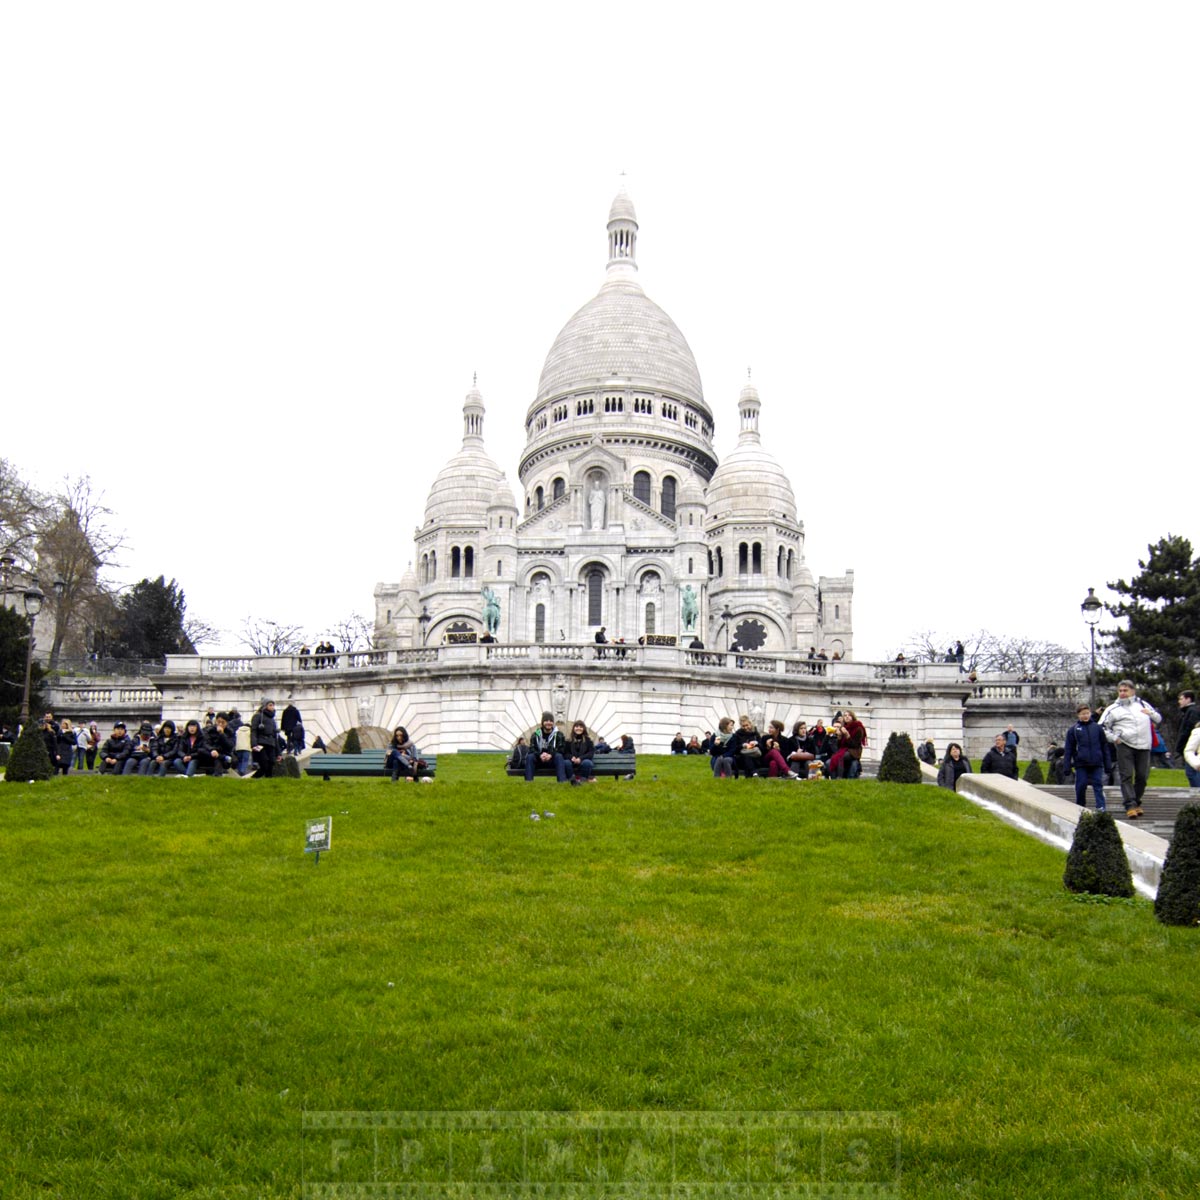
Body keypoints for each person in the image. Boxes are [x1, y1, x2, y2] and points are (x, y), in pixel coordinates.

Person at [1099, 680, 1161, 819]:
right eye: (1120, 691)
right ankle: (1130, 805)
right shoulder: (1113, 709)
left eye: (1125, 690)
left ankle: (1136, 801)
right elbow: (1102, 727)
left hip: (1144, 745)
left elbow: (1158, 718)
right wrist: (1114, 737)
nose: (1122, 693)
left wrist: (1150, 713)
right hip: (1125, 744)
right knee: (1126, 775)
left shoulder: (1143, 704)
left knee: (1142, 776)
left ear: (1133, 691)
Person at [1063, 702, 1112, 811]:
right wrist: (1067, 766)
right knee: (1080, 785)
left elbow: (1104, 747)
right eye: (1082, 714)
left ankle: (1101, 806)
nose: (1085, 716)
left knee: (1098, 785)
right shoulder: (1074, 730)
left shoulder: (1097, 728)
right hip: (1081, 763)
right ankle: (1080, 805)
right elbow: (1069, 749)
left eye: (1087, 713)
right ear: (1078, 715)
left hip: (1096, 762)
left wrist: (1107, 764)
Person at [525, 712, 567, 782]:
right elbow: (532, 749)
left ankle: (561, 782)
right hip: (539, 760)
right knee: (530, 757)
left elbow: (561, 749)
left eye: (551, 721)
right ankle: (528, 782)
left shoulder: (559, 735)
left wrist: (550, 755)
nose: (549, 723)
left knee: (559, 756)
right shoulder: (536, 734)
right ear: (542, 722)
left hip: (552, 760)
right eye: (546, 721)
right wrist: (540, 755)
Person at [828, 709, 866, 779]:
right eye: (845, 715)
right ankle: (833, 778)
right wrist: (839, 737)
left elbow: (855, 745)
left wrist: (847, 735)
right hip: (844, 750)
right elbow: (840, 746)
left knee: (840, 757)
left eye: (849, 715)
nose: (847, 717)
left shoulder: (859, 728)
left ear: (853, 717)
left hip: (854, 751)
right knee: (833, 758)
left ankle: (839, 777)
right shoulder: (843, 728)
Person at [726, 715, 764, 779]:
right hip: (742, 757)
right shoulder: (738, 734)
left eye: (747, 725)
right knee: (746, 756)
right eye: (743, 726)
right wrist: (742, 745)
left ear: (750, 723)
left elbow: (762, 747)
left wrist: (756, 743)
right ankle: (754, 773)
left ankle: (752, 774)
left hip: (755, 756)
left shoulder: (755, 733)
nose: (746, 727)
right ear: (741, 726)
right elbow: (735, 749)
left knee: (750, 757)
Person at [251, 699, 279, 778]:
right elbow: (253, 731)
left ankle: (268, 782)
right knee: (264, 765)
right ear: (265, 706)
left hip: (271, 744)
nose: (272, 707)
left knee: (271, 764)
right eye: (270, 705)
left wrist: (278, 752)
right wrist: (254, 744)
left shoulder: (272, 720)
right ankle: (253, 779)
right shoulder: (258, 716)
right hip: (261, 743)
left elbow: (275, 736)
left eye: (273, 705)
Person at [1178, 692, 1200, 788]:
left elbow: (1189, 729)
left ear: (1188, 699)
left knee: (1191, 773)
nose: (1179, 701)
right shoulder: (1189, 711)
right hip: (1191, 745)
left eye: (1181, 699)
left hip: (1192, 746)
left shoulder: (1192, 711)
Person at [565, 720, 595, 784]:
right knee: (566, 762)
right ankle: (572, 779)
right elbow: (566, 753)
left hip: (584, 761)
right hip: (572, 761)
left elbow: (590, 753)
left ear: (584, 729)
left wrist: (580, 758)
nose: (578, 728)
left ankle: (583, 780)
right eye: (576, 726)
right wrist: (571, 757)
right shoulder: (568, 740)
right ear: (573, 728)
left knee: (587, 763)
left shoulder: (588, 740)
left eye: (581, 727)